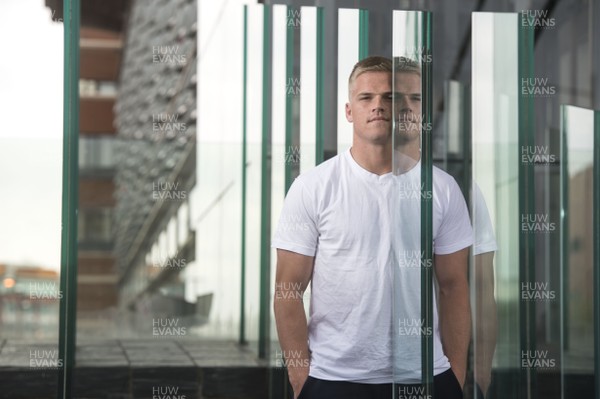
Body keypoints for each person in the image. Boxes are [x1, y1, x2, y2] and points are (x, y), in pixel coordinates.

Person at [272, 56, 472, 399]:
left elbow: (454, 287)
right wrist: (300, 377)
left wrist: (455, 374)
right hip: (333, 380)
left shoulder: (441, 189)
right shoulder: (313, 187)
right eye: (367, 98)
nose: (379, 105)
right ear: (350, 111)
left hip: (426, 377)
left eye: (391, 97)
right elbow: (288, 288)